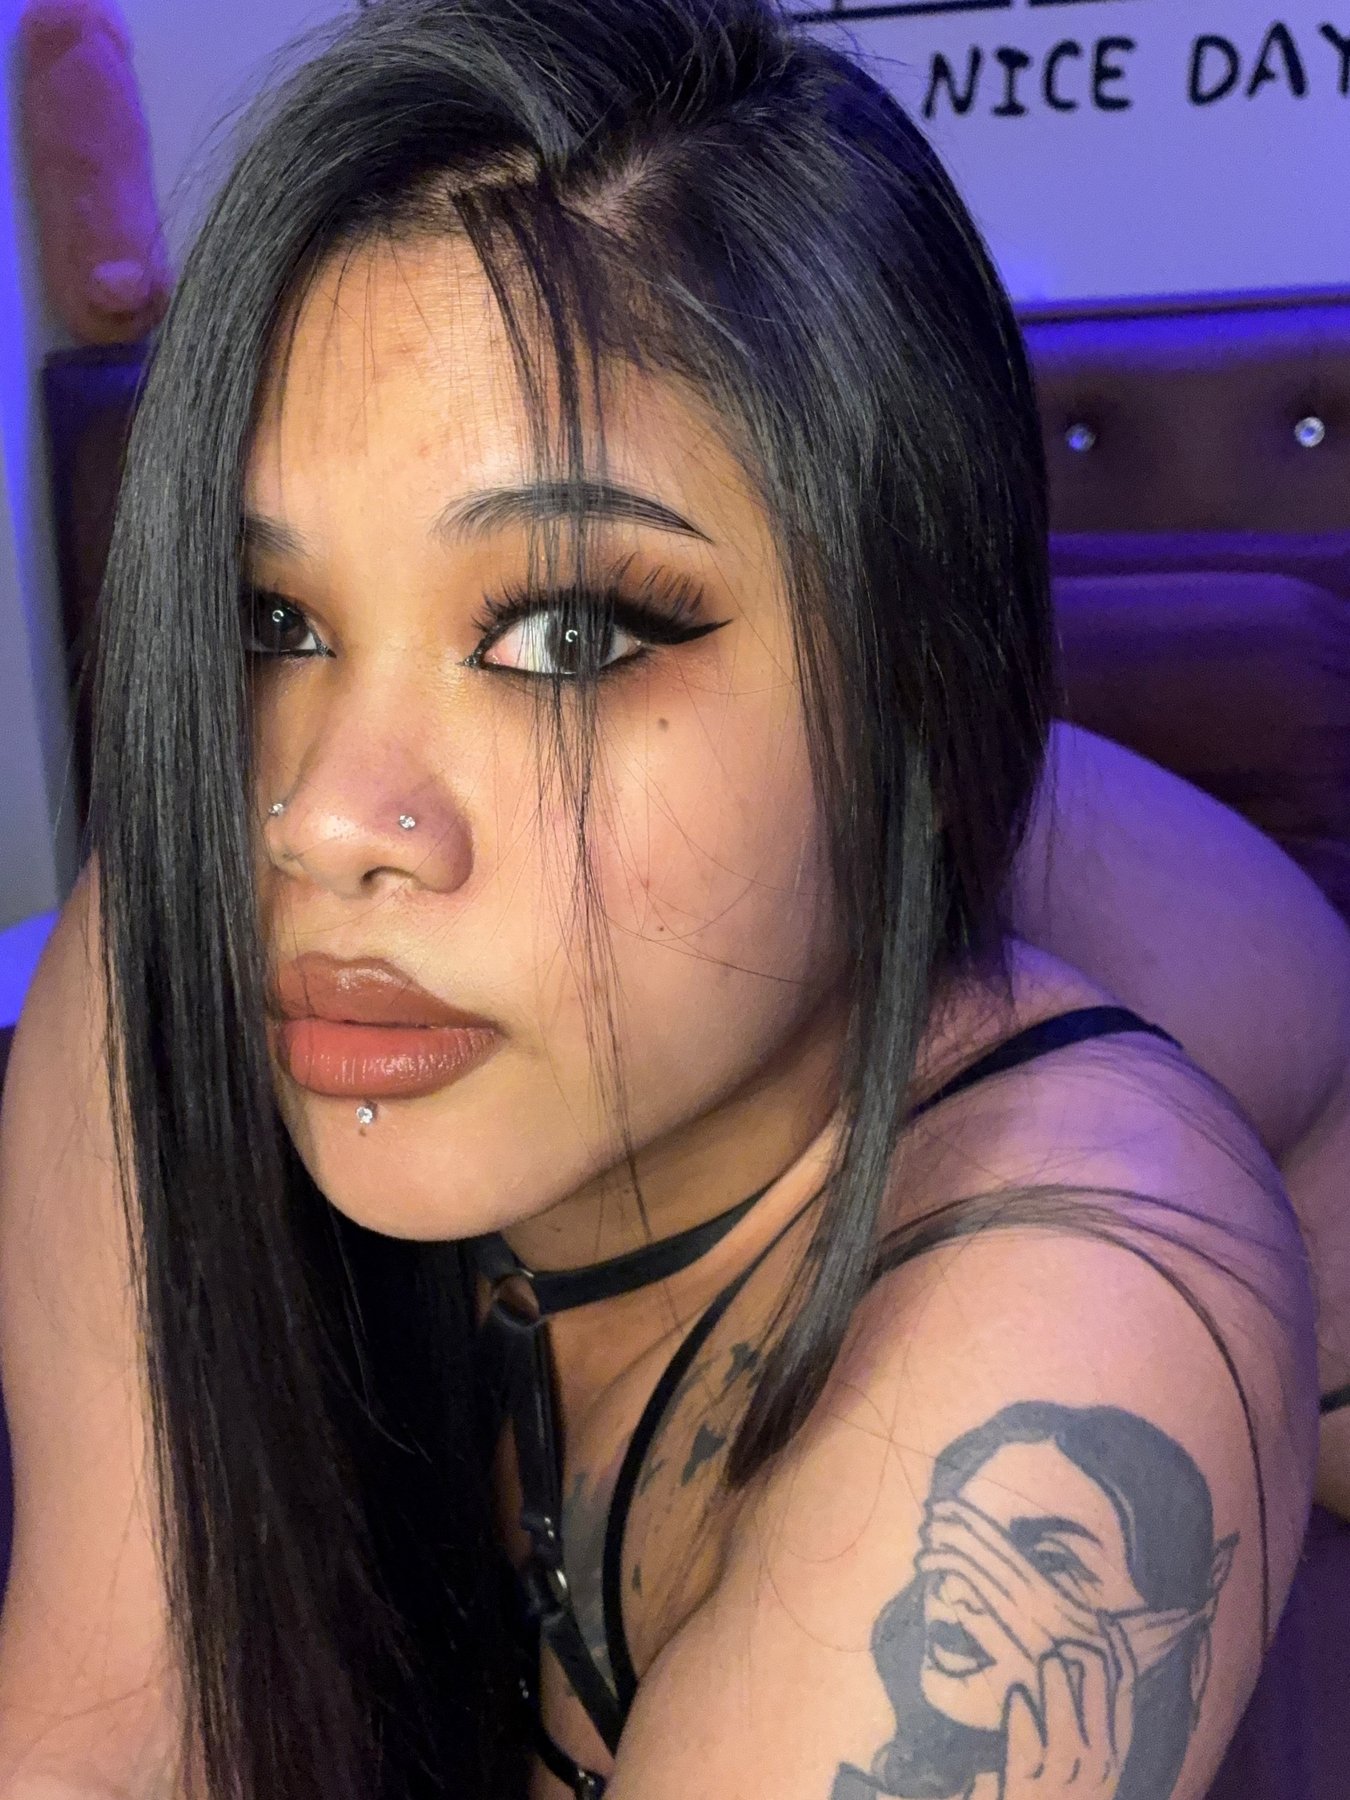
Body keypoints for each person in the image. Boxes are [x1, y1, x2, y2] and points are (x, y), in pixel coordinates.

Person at [0, 2, 1337, 1797]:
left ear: (916, 684)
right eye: (274, 621)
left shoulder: (1092, 1286)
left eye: (567, 632)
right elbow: (100, 1723)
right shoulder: (192, 917)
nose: (318, 823)